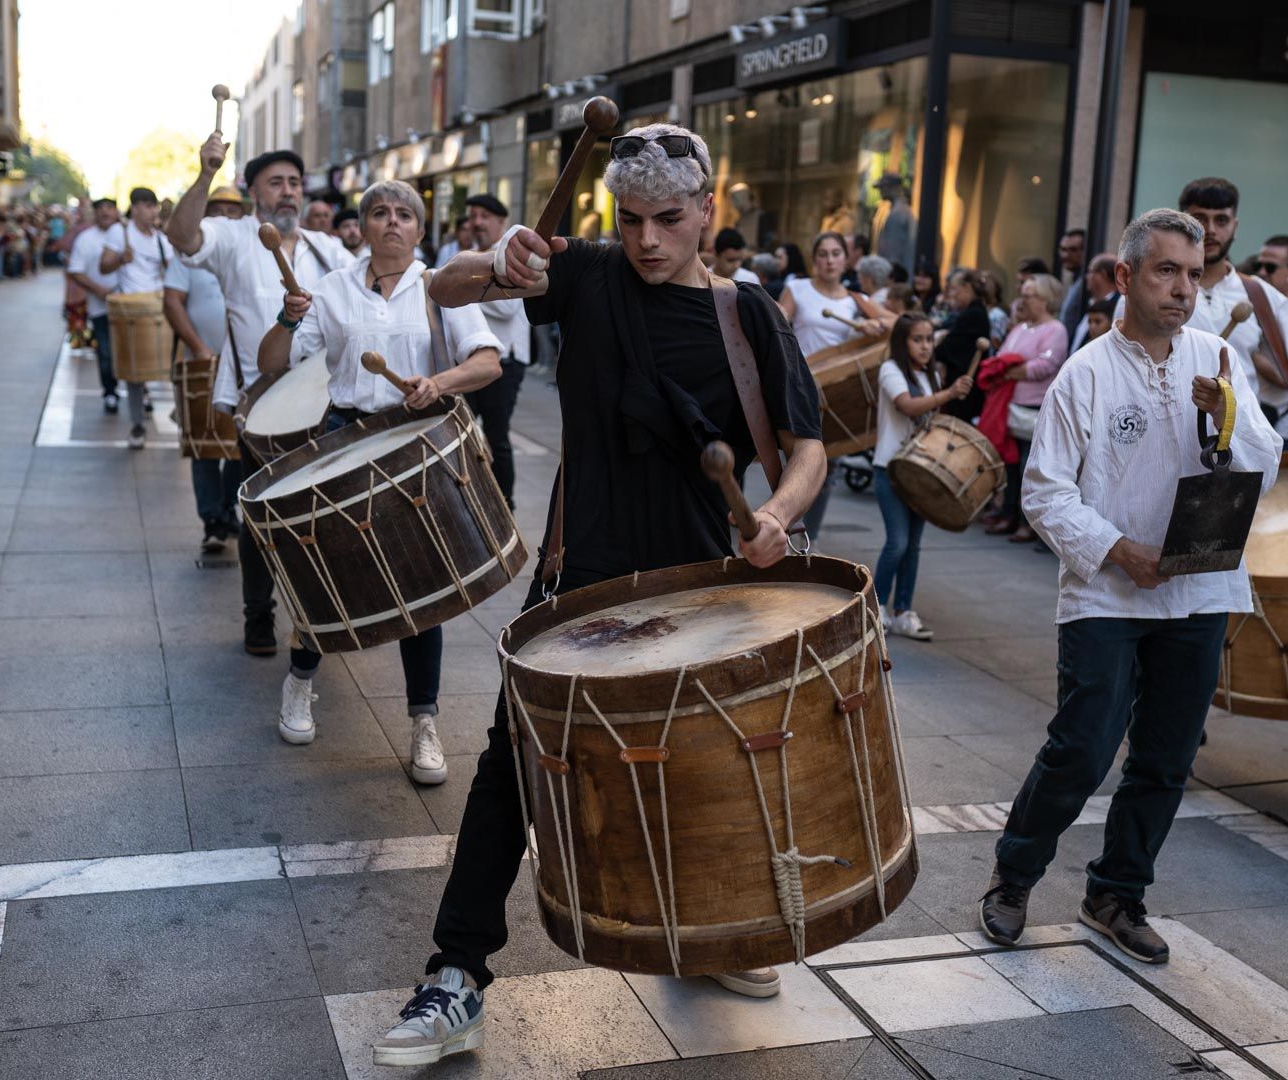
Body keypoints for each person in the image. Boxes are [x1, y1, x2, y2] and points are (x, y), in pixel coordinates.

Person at [383, 121, 826, 1066]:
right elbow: (445, 286)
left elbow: (809, 447)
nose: (648, 241)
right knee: (516, 765)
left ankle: (722, 933)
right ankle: (457, 974)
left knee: (712, 764)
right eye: (630, 221)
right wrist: (494, 258)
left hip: (705, 584)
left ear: (710, 207)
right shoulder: (585, 275)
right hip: (579, 574)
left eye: (669, 219)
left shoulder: (750, 318)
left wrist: (780, 514)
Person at [980, 208, 1282, 964]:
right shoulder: (1085, 372)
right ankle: (1013, 877)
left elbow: (1265, 464)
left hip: (1198, 590)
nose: (1184, 287)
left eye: (1193, 271)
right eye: (1166, 271)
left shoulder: (1216, 355)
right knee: (1082, 746)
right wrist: (1119, 551)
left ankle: (1117, 892)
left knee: (1166, 756)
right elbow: (1044, 493)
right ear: (1126, 276)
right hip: (1109, 592)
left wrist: (1231, 415)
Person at [258, 179, 502, 762]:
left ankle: (424, 721)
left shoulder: (440, 287)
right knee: (327, 572)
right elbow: (271, 364)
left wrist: (437, 383)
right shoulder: (331, 289)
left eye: (404, 214)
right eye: (379, 213)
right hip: (343, 435)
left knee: (424, 583)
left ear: (420, 230)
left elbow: (488, 363)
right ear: (364, 227)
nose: (392, 222)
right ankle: (299, 683)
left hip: (415, 438)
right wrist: (288, 322)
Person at [167, 136, 354, 661]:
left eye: (295, 183)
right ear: (254, 193)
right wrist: (205, 174)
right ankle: (258, 612)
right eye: (277, 183)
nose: (289, 193)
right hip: (260, 401)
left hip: (323, 401)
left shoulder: (328, 249)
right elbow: (182, 237)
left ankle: (315, 614)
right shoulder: (233, 235)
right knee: (260, 515)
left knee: (318, 516)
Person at [1173, 178, 1288, 457]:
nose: (1210, 230)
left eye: (1221, 220)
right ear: (1181, 221)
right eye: (1199, 218)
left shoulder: (1260, 295)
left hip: (1239, 451)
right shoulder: (1151, 290)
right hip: (1165, 448)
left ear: (1235, 226)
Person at [778, 231, 886, 539]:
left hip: (835, 396)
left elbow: (899, 325)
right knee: (795, 467)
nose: (829, 260)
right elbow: (776, 320)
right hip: (799, 387)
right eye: (823, 254)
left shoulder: (856, 300)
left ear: (846, 259)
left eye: (836, 253)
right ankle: (784, 532)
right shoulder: (797, 288)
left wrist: (873, 327)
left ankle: (806, 542)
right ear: (814, 259)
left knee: (826, 472)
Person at [873, 313, 972, 639]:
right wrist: (949, 393)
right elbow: (909, 406)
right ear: (902, 342)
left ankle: (903, 611)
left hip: (920, 470)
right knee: (897, 543)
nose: (925, 346)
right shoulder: (890, 370)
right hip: (890, 467)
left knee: (912, 546)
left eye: (929, 339)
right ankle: (875, 608)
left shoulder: (930, 375)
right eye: (918, 339)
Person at [163, 186, 244, 552]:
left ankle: (228, 509)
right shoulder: (186, 255)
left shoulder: (249, 250)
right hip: (202, 362)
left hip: (244, 366)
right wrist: (198, 347)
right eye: (218, 209)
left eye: (233, 209)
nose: (226, 215)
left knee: (241, 445)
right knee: (204, 444)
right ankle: (212, 518)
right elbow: (172, 302)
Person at [986, 273, 1070, 543]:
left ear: (1045, 299)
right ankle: (1007, 514)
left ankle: (1027, 523)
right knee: (1009, 466)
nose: (1023, 300)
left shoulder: (1055, 329)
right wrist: (1011, 369)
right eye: (1022, 294)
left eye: (1029, 295)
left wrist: (1014, 371)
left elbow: (1047, 364)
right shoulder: (1019, 328)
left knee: (1028, 469)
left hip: (1034, 408)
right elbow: (1002, 359)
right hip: (1011, 405)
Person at [463, 192, 531, 508]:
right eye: (473, 216)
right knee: (464, 430)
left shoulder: (508, 249)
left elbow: (507, 309)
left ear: (500, 221)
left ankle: (504, 504)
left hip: (506, 362)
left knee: (497, 437)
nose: (477, 222)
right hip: (477, 360)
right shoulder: (473, 254)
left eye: (484, 216)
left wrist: (461, 288)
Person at [100, 188, 172, 449]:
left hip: (158, 307)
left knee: (170, 366)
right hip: (130, 309)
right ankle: (137, 424)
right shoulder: (119, 232)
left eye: (155, 207)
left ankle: (177, 413)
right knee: (133, 371)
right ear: (136, 208)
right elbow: (103, 265)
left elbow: (172, 270)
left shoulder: (161, 239)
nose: (153, 211)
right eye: (148, 206)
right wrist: (121, 258)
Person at [67, 198, 123, 414]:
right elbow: (75, 270)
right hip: (101, 306)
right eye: (101, 209)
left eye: (110, 208)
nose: (105, 212)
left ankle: (141, 391)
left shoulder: (128, 233)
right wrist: (97, 289)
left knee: (135, 350)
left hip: (130, 306)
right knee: (106, 352)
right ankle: (110, 391)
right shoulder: (86, 239)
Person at [939, 267, 993, 423]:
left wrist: (940, 341)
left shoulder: (973, 314)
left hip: (964, 388)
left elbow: (948, 348)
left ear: (967, 288)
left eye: (955, 289)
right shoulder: (974, 312)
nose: (953, 294)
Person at [1068, 254, 1119, 356]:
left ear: (1103, 274)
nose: (1086, 277)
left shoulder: (1119, 306)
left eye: (1090, 271)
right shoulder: (1086, 302)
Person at [1057, 228, 1088, 341]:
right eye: (1063, 249)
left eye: (1073, 250)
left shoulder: (1086, 283)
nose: (1066, 255)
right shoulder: (1076, 280)